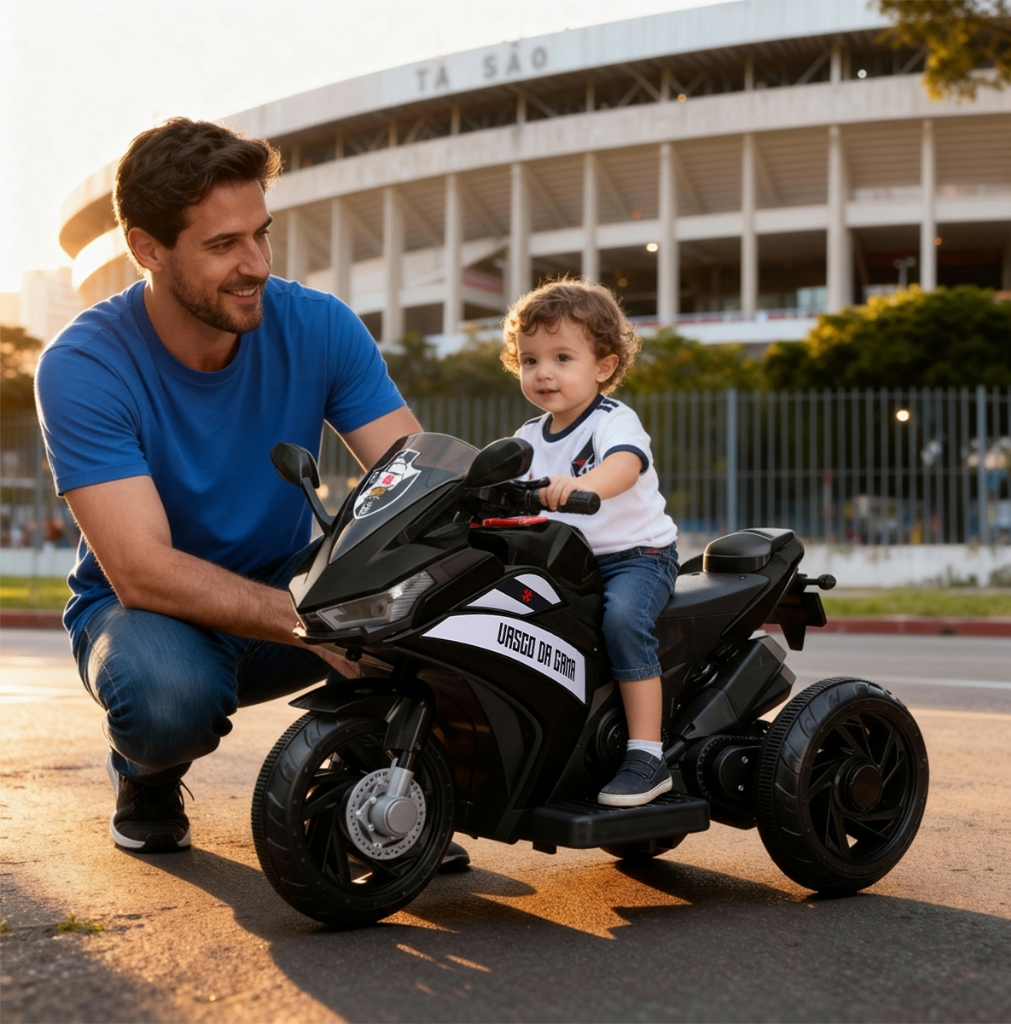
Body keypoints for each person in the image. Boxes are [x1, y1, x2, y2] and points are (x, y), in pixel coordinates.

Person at [35, 118, 469, 867]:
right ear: (147, 249)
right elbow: (140, 568)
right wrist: (310, 625)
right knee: (168, 702)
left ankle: (393, 786)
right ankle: (147, 775)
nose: (256, 263)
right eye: (223, 245)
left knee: (435, 583)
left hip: (287, 582)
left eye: (261, 234)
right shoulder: (83, 365)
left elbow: (418, 487)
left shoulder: (319, 326)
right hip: (144, 609)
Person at [501, 279, 679, 807]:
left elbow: (624, 466)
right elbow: (497, 478)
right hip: (568, 564)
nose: (544, 372)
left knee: (624, 621)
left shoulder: (612, 419)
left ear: (602, 366)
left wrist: (583, 487)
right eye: (530, 360)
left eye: (561, 357)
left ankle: (648, 756)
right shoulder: (530, 435)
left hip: (635, 558)